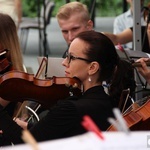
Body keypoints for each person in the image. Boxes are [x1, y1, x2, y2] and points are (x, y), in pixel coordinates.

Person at [0, 31, 135, 145]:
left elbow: (28, 143)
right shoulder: (109, 101)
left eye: (71, 58)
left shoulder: (71, 108)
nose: (64, 62)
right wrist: (28, 126)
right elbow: (62, 130)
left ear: (92, 67)